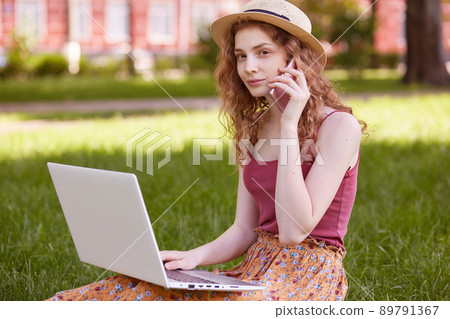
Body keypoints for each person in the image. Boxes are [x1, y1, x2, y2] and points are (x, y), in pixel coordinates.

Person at [47, 0, 365, 301]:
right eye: (241, 55)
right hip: (256, 267)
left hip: (309, 277)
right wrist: (193, 257)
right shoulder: (254, 127)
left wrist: (288, 126)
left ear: (297, 60)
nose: (249, 67)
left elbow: (294, 231)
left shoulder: (339, 127)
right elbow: (244, 230)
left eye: (263, 52)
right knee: (131, 288)